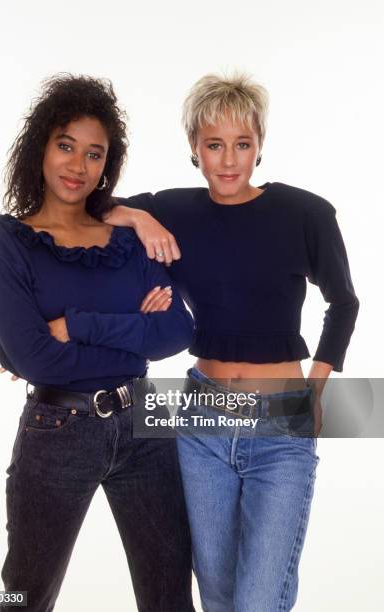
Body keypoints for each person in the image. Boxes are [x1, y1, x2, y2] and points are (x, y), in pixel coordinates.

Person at [91, 72, 359, 611]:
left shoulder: (305, 214)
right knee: (216, 595)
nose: (229, 159)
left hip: (280, 422)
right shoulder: (176, 209)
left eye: (243, 144)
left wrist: (317, 387)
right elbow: (91, 209)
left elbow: (344, 302)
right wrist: (140, 217)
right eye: (215, 145)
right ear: (195, 148)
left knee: (258, 600)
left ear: (259, 146)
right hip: (203, 419)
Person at [0, 74, 195, 612]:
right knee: (27, 599)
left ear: (107, 165)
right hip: (59, 433)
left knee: (169, 598)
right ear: (41, 149)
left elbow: (177, 331)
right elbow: (33, 357)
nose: (78, 166)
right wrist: (131, 333)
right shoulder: (7, 246)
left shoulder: (128, 238)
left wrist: (78, 324)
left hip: (146, 423)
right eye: (65, 146)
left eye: (94, 154)